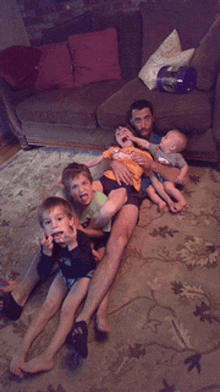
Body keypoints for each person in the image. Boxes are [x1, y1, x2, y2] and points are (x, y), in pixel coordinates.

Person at [1, 99, 185, 359]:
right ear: (130, 122)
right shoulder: (125, 138)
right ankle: (21, 292)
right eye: (137, 120)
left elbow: (178, 176)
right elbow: (102, 160)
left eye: (146, 118)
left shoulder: (161, 143)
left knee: (117, 241)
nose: (142, 124)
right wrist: (115, 163)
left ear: (153, 118)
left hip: (131, 195)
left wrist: (149, 165)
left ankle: (82, 320)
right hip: (104, 184)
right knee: (59, 201)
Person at [10, 197, 96, 378]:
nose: (55, 225)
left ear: (71, 220)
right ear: (44, 229)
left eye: (59, 219)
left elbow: (84, 268)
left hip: (83, 275)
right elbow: (42, 273)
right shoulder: (51, 243)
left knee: (67, 310)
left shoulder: (82, 239)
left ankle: (47, 356)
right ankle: (22, 351)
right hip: (65, 274)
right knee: (47, 307)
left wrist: (72, 245)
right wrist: (47, 254)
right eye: (48, 222)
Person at [84, 124, 152, 222]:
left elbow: (148, 171)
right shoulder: (114, 150)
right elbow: (97, 160)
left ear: (133, 135)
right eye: (118, 134)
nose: (121, 134)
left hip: (125, 184)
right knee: (82, 191)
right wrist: (80, 167)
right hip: (107, 179)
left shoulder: (143, 153)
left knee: (109, 208)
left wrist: (145, 163)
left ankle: (93, 225)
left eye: (125, 131)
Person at [126, 128, 189, 212]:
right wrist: (132, 138)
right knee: (150, 190)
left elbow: (185, 166)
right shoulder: (156, 149)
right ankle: (161, 202)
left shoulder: (176, 156)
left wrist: (181, 176)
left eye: (166, 137)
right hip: (156, 177)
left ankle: (182, 201)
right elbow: (145, 143)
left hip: (167, 178)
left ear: (172, 146)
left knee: (168, 187)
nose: (162, 138)